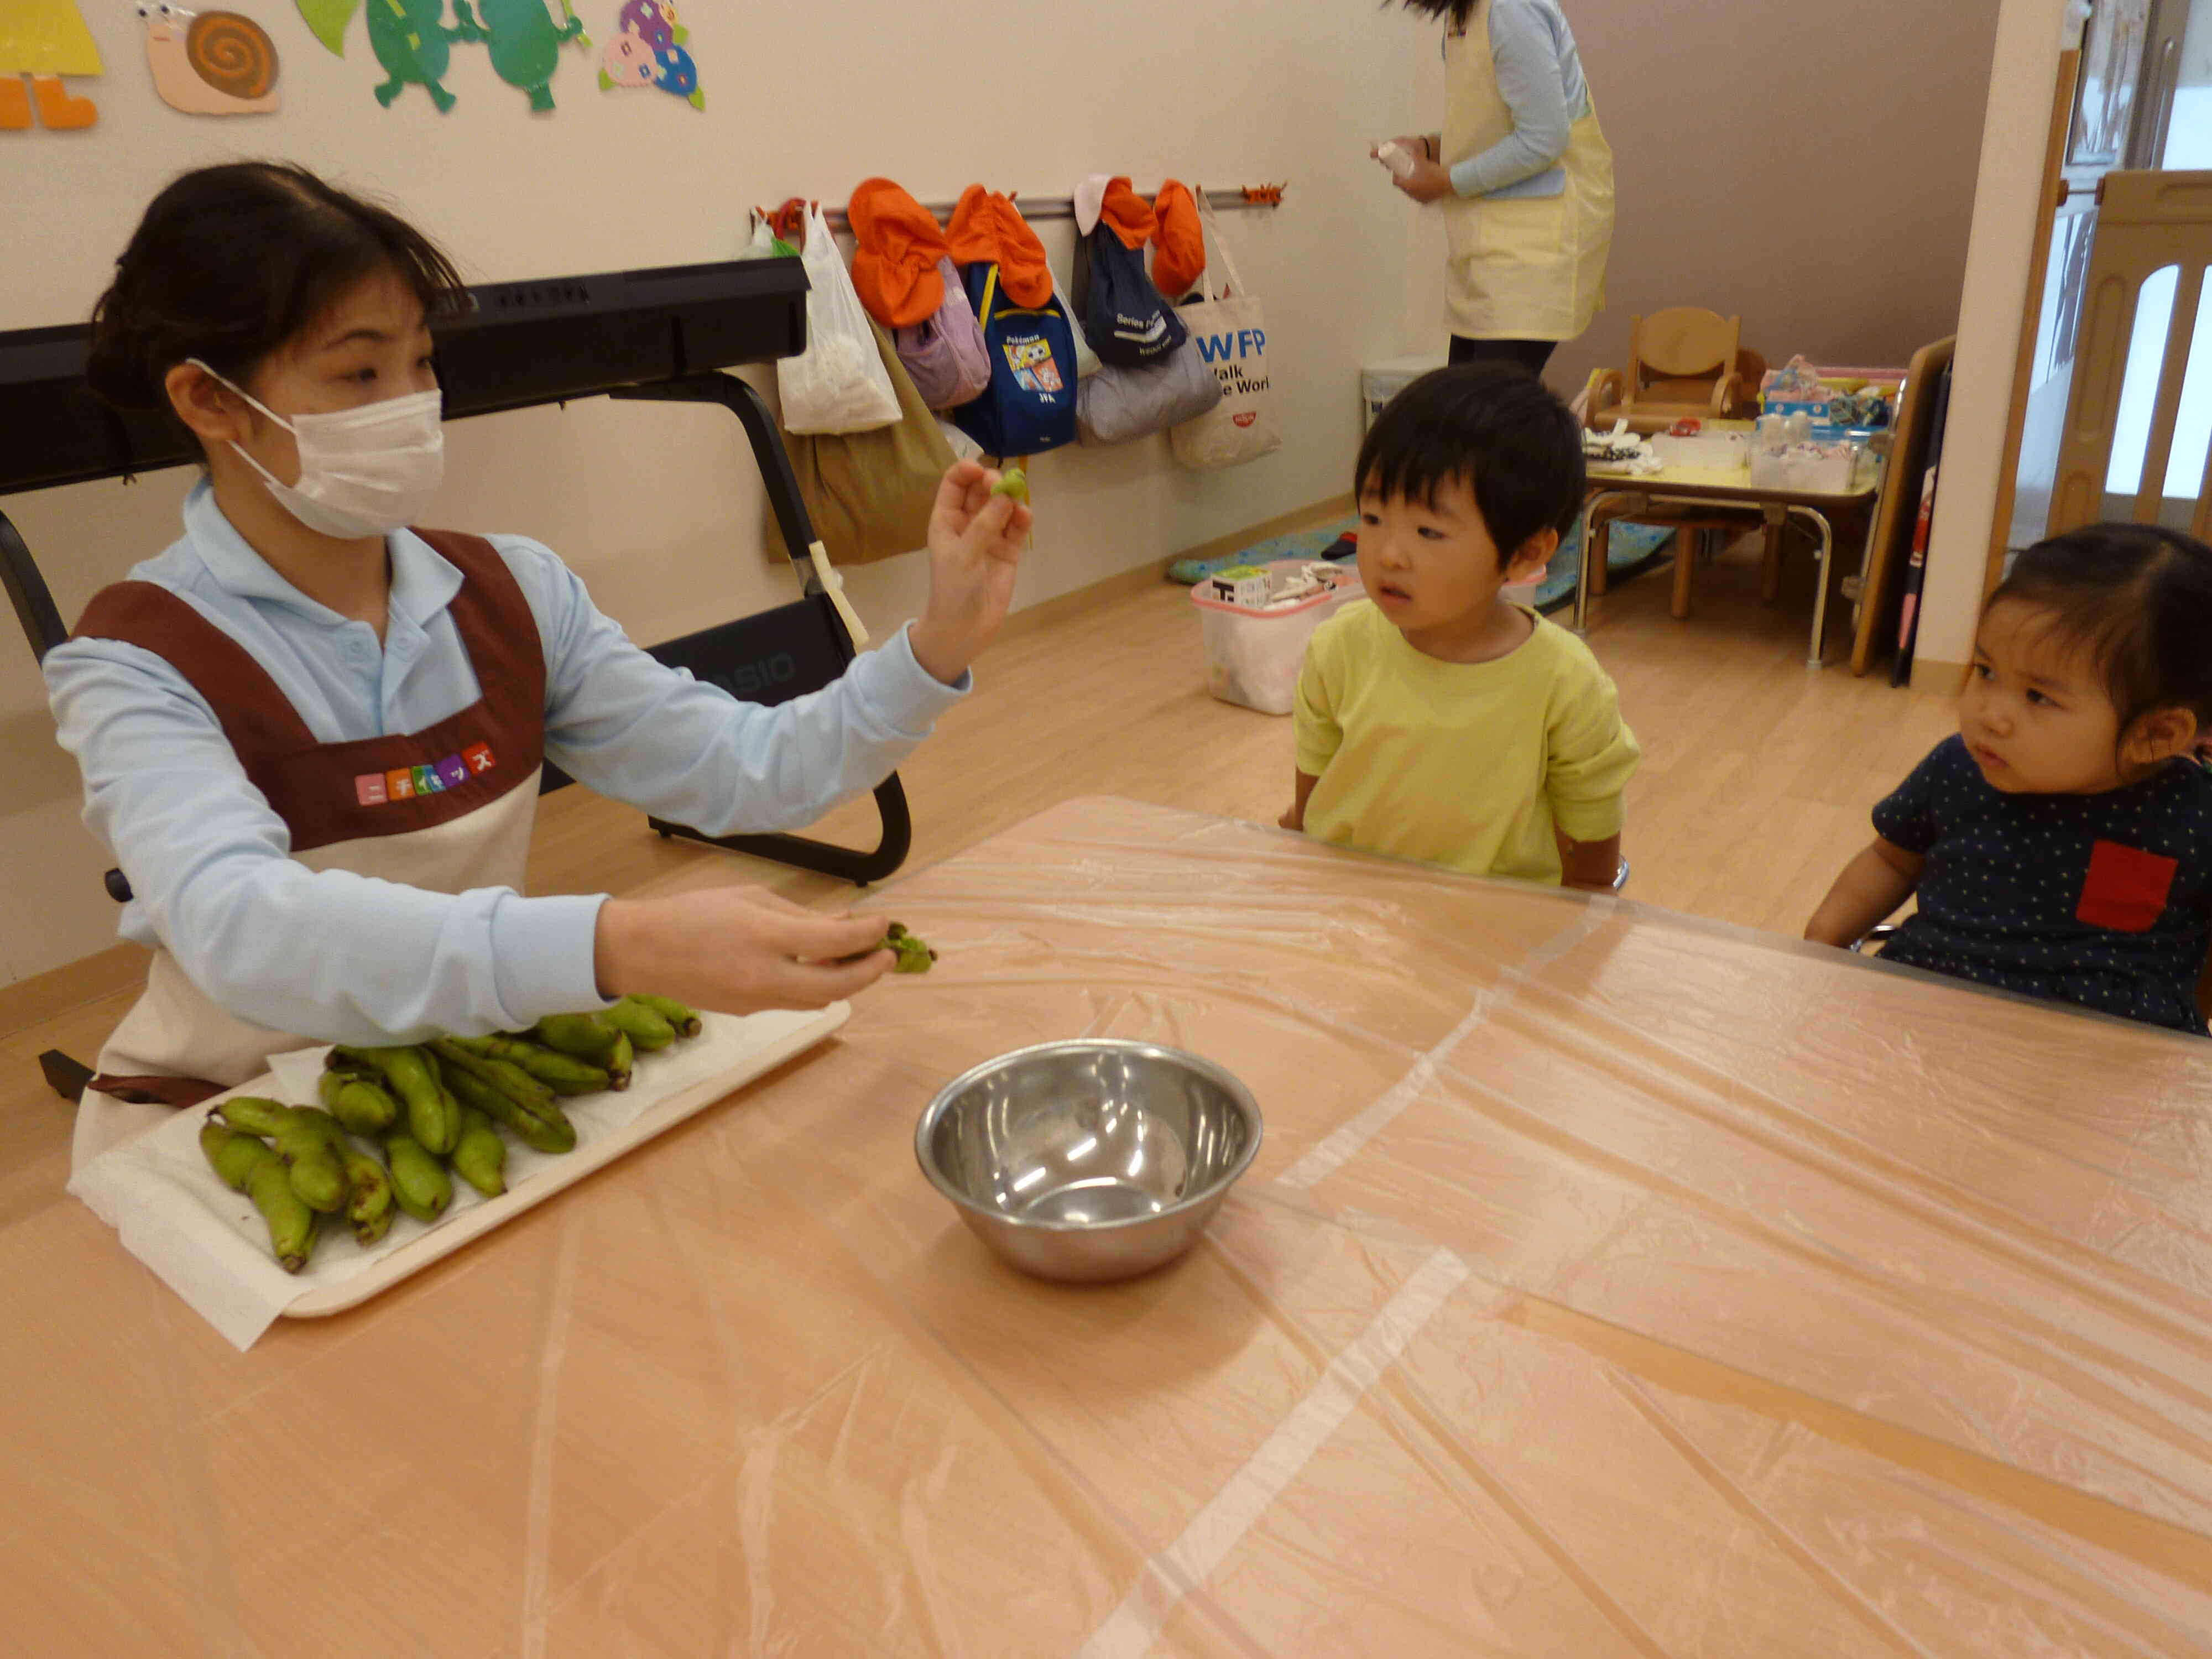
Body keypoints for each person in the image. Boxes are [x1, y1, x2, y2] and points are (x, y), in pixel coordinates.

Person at [46, 162, 1034, 1168]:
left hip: (462, 1092)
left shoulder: (515, 593)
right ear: (209, 403)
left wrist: (933, 647)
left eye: (422, 364)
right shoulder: (134, 660)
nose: (412, 405)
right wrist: (617, 946)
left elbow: (746, 768)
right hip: (226, 1122)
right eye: (359, 374)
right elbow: (243, 927)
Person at [1806, 525, 2212, 1036]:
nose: (1989, 715)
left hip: (2100, 1056)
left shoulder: (2194, 813)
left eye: (2039, 697)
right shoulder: (1960, 767)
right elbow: (1891, 857)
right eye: (1986, 670)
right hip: (1922, 1015)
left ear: (2155, 735)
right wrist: (1823, 940)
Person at [1280, 364, 1639, 889]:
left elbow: (1593, 826)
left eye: (1429, 530)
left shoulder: (1563, 681)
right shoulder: (1341, 645)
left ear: (1525, 553)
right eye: (1373, 517)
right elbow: (1314, 783)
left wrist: (1581, 929)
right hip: (1353, 903)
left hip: (1490, 925)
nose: (1390, 555)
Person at [1381, 0, 1615, 377]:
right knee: (1466, 411)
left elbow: (1544, 138)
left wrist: (1444, 180)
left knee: (1485, 418)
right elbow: (1494, 128)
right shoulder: (1468, 12)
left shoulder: (1512, 8)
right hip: (1489, 245)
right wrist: (1427, 147)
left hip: (1534, 246)